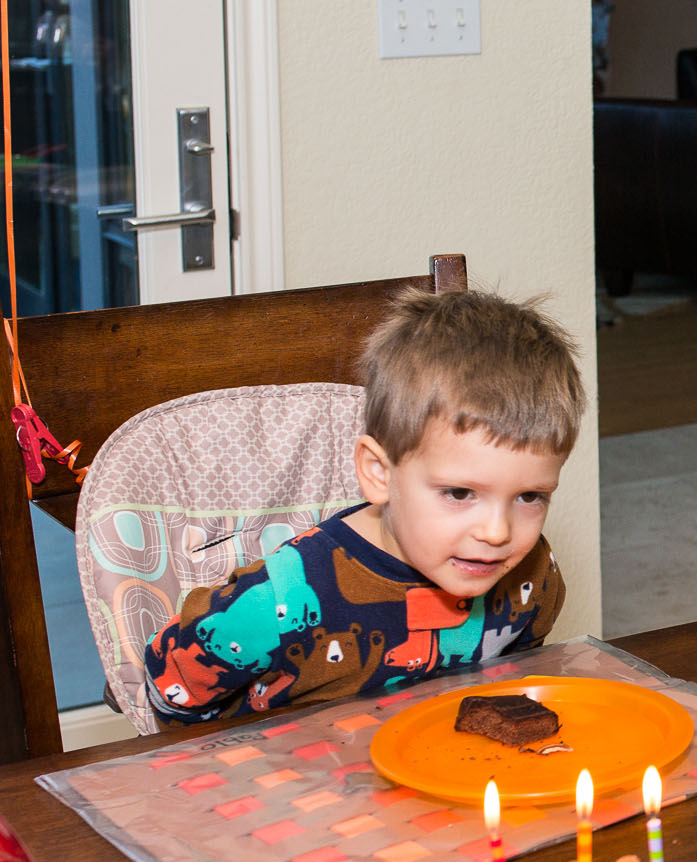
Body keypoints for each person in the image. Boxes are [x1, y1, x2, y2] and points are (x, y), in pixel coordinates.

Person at [143, 288, 583, 722]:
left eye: (529, 496)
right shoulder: (276, 602)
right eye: (459, 493)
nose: (497, 532)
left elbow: (514, 680)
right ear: (379, 473)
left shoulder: (532, 574)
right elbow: (169, 694)